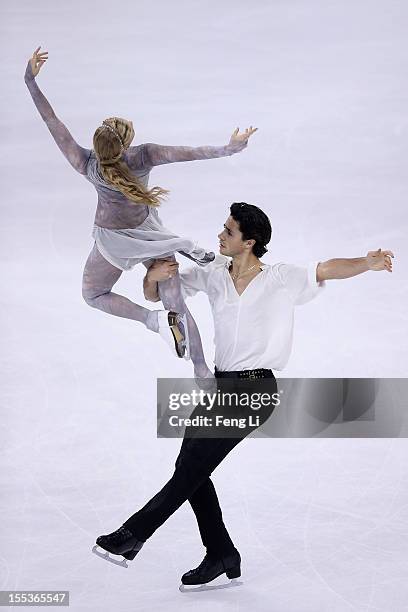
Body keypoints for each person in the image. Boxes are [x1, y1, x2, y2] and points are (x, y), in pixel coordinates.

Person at [93, 201, 394, 586]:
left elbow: (326, 268)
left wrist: (365, 263)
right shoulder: (215, 273)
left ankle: (133, 534)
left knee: (190, 470)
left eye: (229, 231)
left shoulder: (279, 277)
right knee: (190, 469)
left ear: (249, 242)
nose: (220, 235)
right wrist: (153, 276)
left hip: (255, 389)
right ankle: (221, 553)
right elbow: (159, 296)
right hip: (220, 386)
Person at [24, 46, 257, 377]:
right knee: (176, 302)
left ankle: (151, 320)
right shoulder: (143, 156)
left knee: (94, 294)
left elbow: (52, 120)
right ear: (125, 145)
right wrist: (229, 149)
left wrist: (29, 80)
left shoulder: (86, 162)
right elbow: (189, 153)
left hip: (115, 242)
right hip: (152, 235)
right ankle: (202, 367)